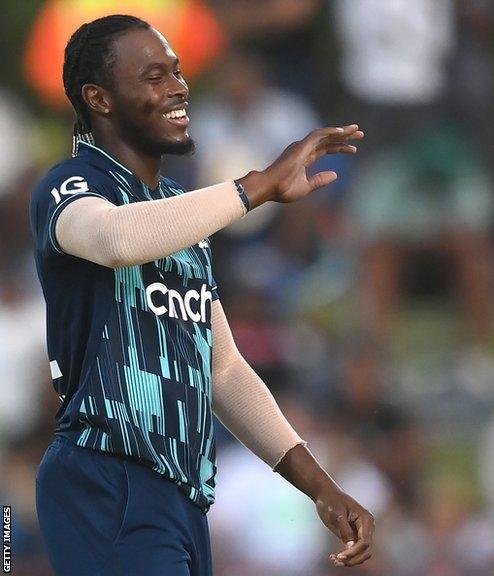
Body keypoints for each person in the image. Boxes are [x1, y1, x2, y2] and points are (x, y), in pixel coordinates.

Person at [29, 14, 373, 574]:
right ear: (101, 98)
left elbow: (224, 371)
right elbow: (115, 238)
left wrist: (320, 488)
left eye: (178, 72)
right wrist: (259, 184)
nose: (178, 88)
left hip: (181, 494)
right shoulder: (71, 185)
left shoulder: (181, 209)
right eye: (154, 76)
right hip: (106, 477)